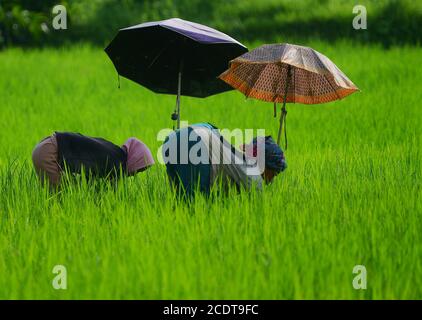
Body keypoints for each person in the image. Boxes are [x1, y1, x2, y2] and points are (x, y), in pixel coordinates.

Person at [162, 123, 287, 198]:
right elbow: (256, 210)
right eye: (274, 173)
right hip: (198, 143)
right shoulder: (255, 180)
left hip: (173, 138)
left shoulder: (239, 157)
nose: (272, 180)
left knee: (178, 200)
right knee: (193, 206)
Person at [32, 132, 154, 187]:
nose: (134, 174)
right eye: (138, 169)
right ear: (134, 159)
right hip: (49, 153)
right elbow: (103, 191)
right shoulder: (116, 164)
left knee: (69, 193)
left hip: (45, 146)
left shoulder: (113, 152)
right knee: (59, 200)